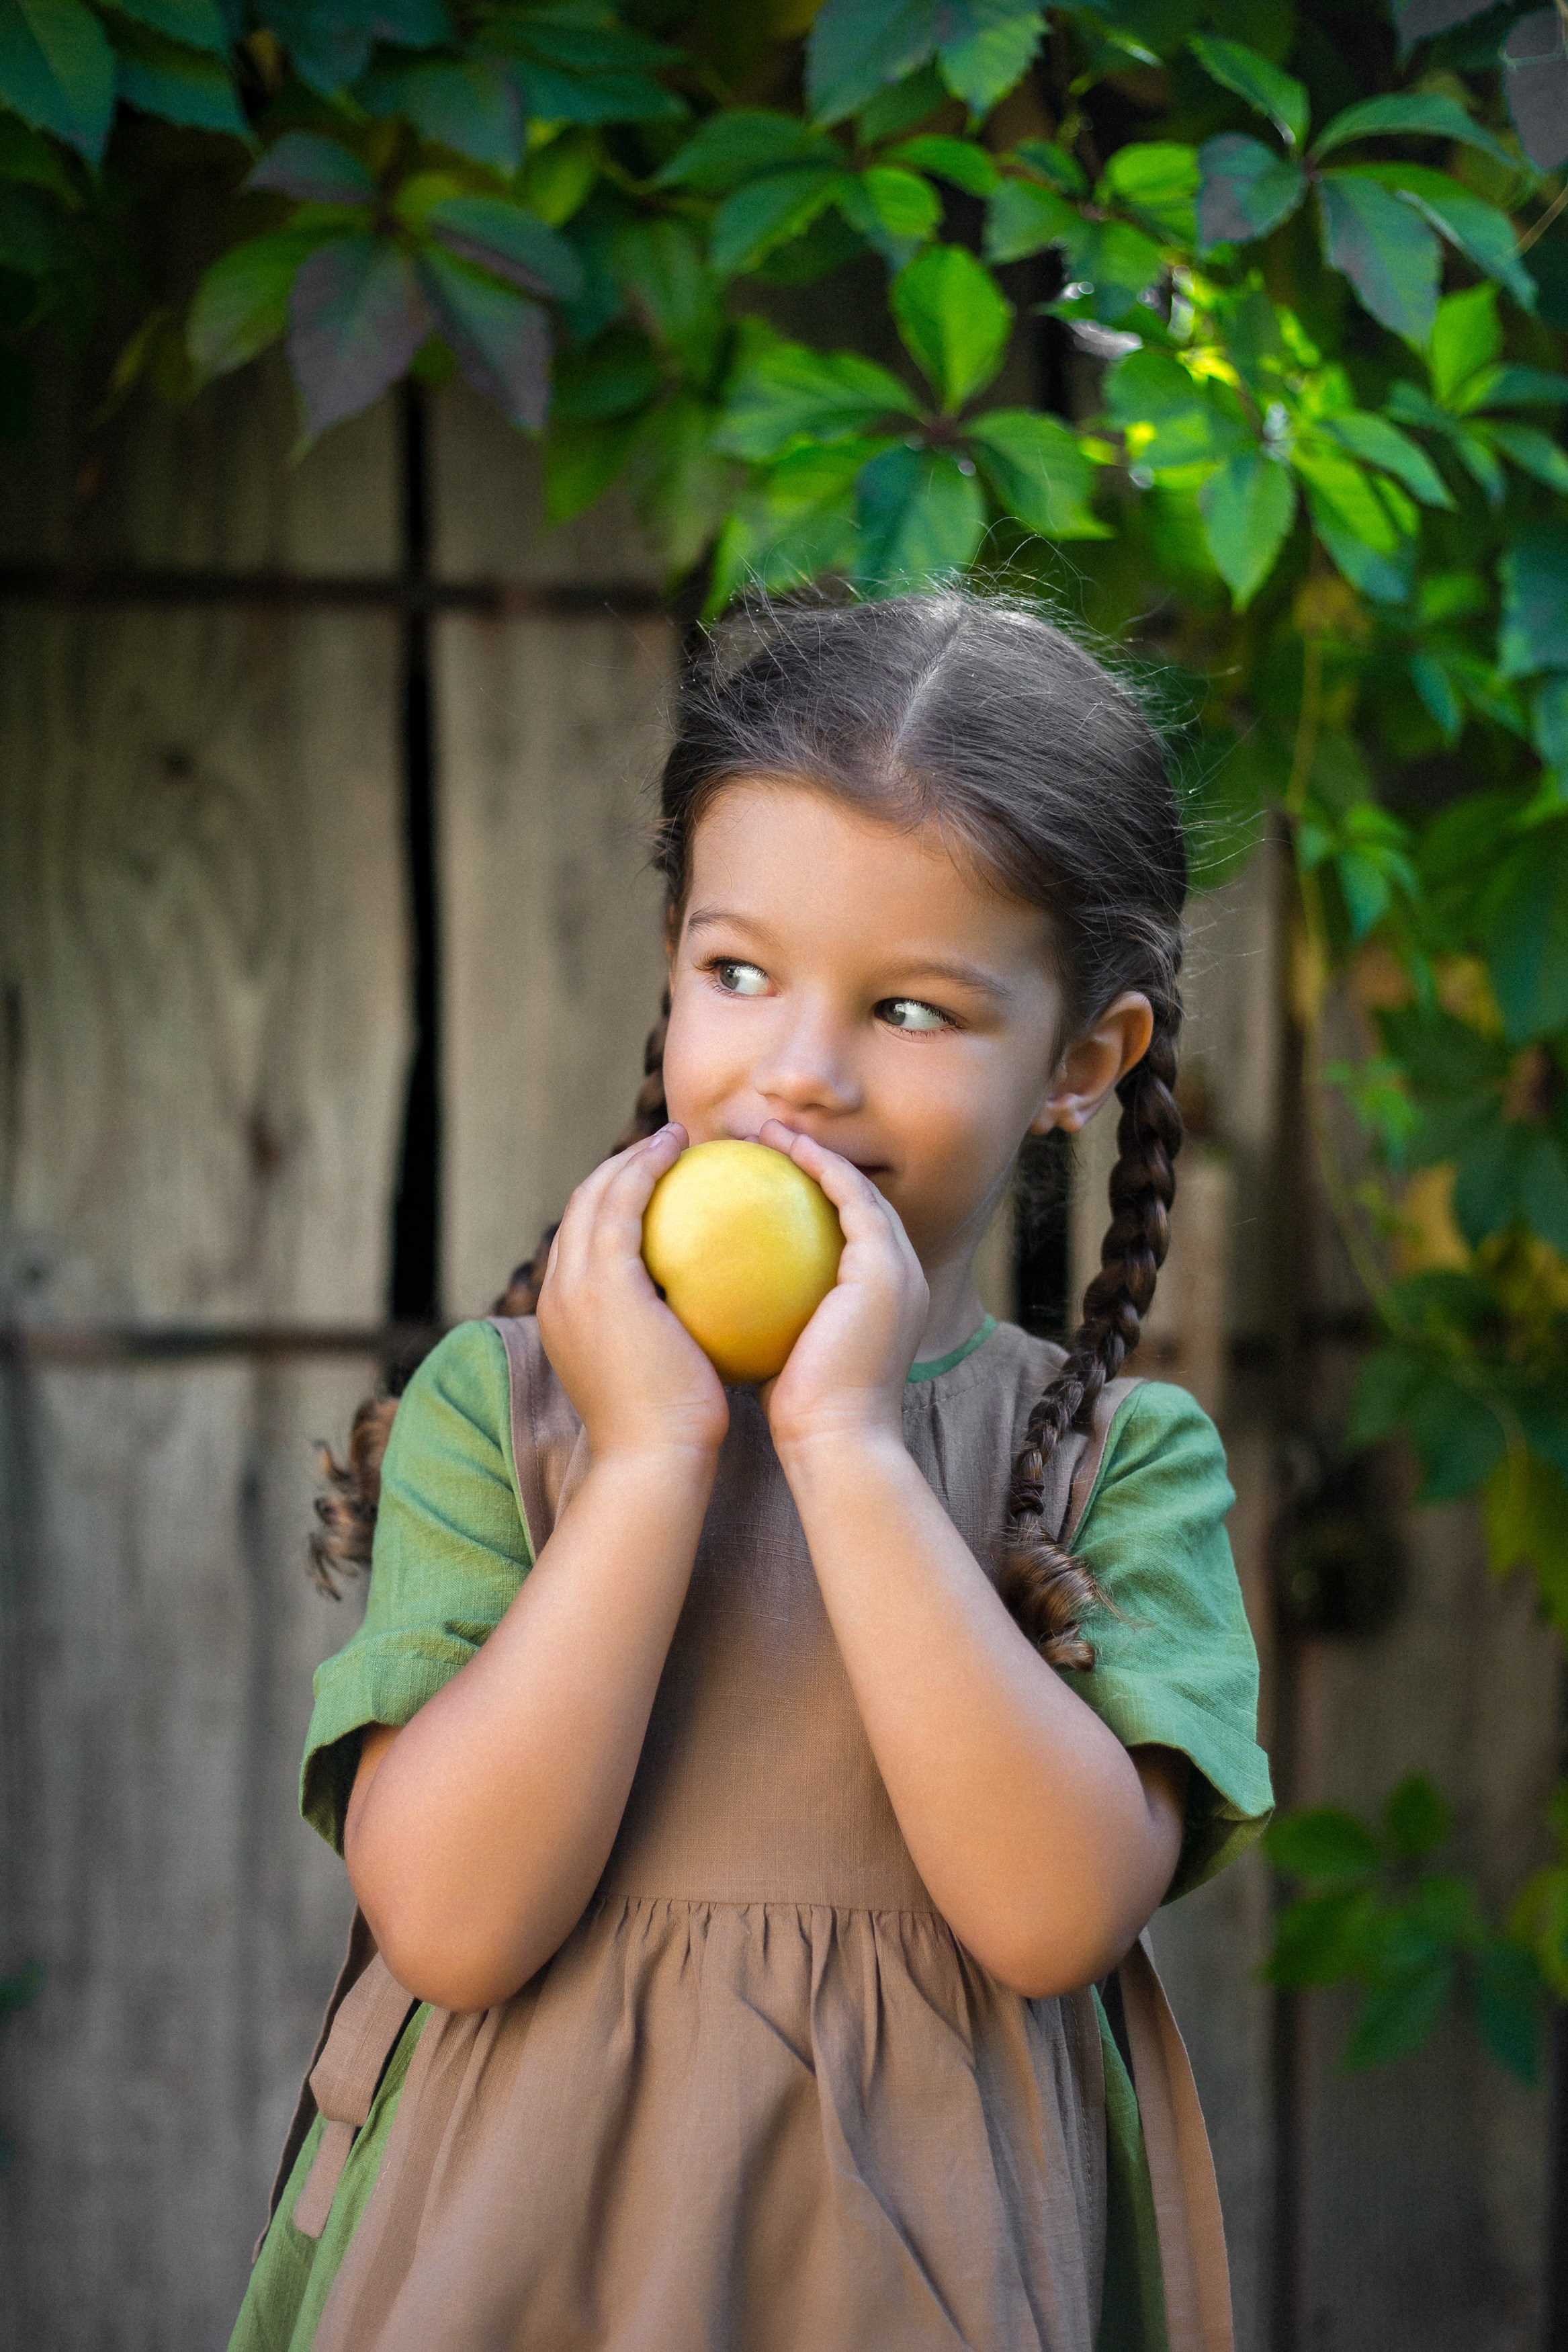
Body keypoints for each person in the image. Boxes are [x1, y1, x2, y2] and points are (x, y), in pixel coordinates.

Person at [231, 591, 1272, 2352]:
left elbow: (1050, 1913)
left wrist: (846, 1443)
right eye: (738, 971)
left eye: (913, 1008)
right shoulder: (515, 1412)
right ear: (672, 961)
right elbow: (451, 1922)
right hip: (520, 2255)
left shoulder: (1117, 1462)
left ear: (1081, 1062)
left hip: (916, 2271)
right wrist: (650, 1462)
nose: (798, 1069)